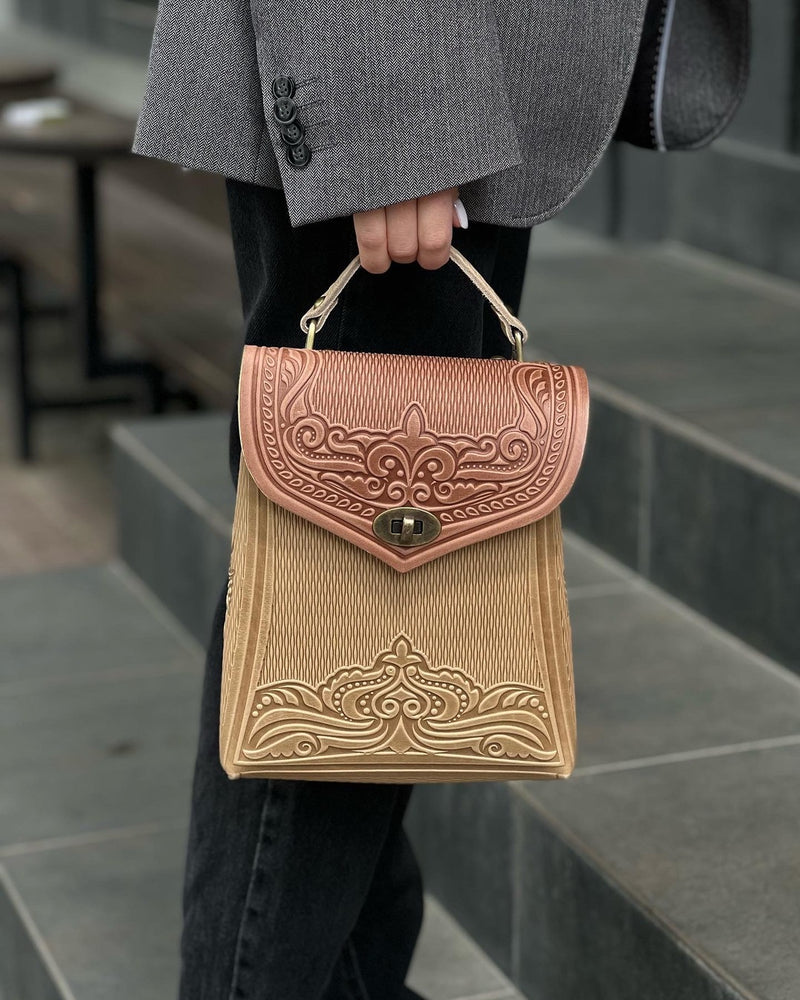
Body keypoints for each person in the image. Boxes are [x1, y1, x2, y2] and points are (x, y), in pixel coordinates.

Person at [132, 1, 749, 996]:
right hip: (408, 81)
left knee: (344, 613)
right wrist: (391, 110)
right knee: (329, 626)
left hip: (470, 91)